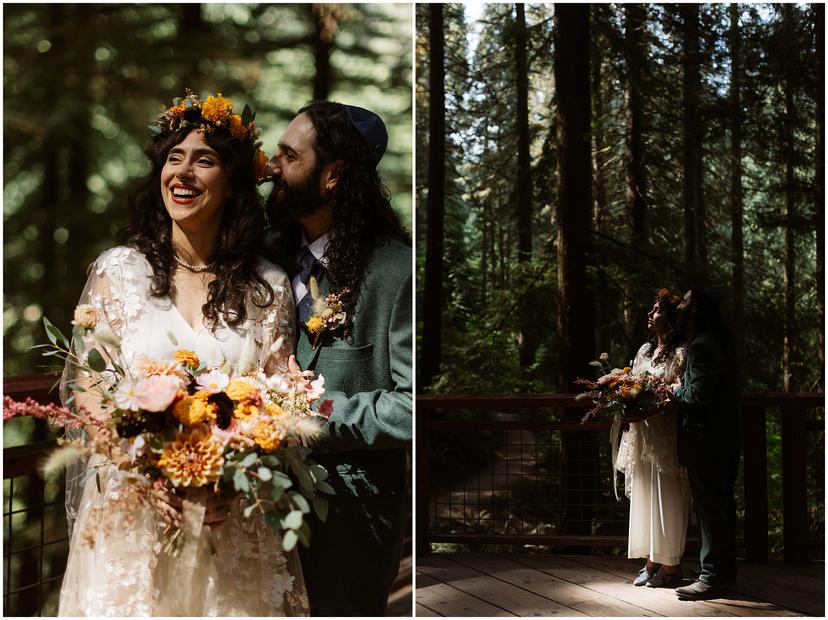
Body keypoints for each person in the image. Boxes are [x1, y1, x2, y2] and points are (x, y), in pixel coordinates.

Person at [58, 90, 308, 616]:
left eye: (204, 160)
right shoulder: (118, 272)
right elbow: (88, 392)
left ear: (234, 182)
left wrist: (231, 477)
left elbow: (279, 401)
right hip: (135, 510)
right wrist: (151, 474)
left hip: (231, 516)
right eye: (174, 158)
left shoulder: (269, 286)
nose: (183, 172)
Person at [264, 100, 412, 616]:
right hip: (257, 511)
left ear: (333, 176)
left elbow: (414, 405)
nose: (271, 166)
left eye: (287, 156)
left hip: (354, 519)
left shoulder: (397, 272)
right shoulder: (263, 257)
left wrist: (312, 416)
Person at [670, 287, 742, 601]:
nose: (679, 304)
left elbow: (697, 395)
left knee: (711, 510)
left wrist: (676, 389)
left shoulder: (701, 346)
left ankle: (711, 577)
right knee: (722, 505)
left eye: (685, 300)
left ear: (697, 309)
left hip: (706, 441)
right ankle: (723, 573)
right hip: (723, 439)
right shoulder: (721, 342)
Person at [616, 289, 690, 588]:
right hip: (642, 433)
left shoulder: (681, 352)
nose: (650, 314)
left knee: (668, 496)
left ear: (670, 318)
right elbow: (632, 385)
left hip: (666, 433)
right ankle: (658, 562)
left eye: (656, 310)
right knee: (647, 495)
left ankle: (666, 564)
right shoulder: (645, 350)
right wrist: (625, 404)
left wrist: (653, 407)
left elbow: (678, 390)